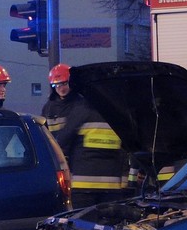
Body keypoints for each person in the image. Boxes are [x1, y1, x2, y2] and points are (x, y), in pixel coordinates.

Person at [43, 64, 129, 207]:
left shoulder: (81, 108)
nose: (61, 88)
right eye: (56, 85)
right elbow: (126, 148)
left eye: (64, 84)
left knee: (83, 226)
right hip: (112, 185)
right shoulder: (117, 111)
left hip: (83, 183)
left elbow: (64, 139)